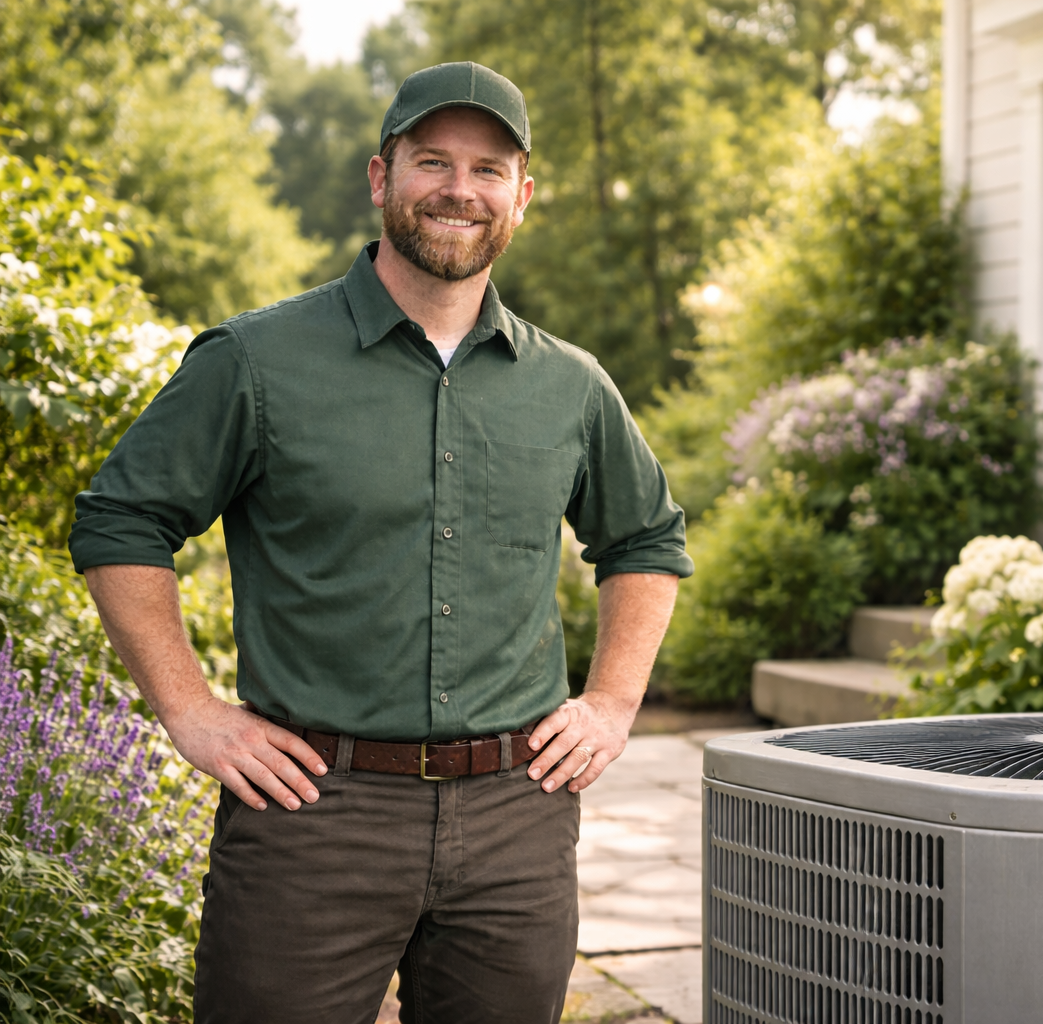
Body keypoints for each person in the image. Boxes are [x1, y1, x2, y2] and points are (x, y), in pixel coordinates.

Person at [68, 62, 692, 1023]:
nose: (459, 189)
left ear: (522, 195)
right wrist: (190, 712)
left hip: (516, 826)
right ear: (380, 177)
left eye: (488, 169)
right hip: (312, 818)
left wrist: (610, 705)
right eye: (432, 160)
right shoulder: (256, 361)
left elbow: (646, 539)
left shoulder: (570, 385)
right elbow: (121, 520)